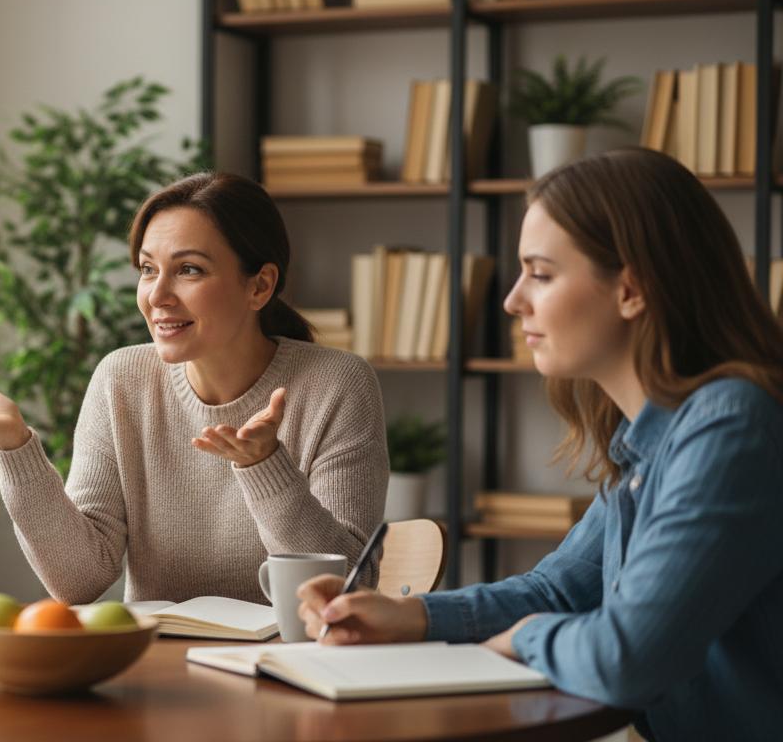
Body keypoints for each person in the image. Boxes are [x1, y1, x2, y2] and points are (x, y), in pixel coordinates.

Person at [296, 149, 783, 741]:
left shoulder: (731, 429)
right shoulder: (652, 437)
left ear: (631, 289)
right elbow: (556, 590)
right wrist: (410, 616)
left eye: (542, 273)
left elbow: (627, 657)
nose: (512, 300)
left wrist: (524, 639)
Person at [0, 172, 388, 605]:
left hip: (285, 671)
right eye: (149, 269)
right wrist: (15, 445)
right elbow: (80, 581)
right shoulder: (122, 379)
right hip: (155, 674)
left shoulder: (336, 384)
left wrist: (264, 467)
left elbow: (347, 586)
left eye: (189, 269)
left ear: (259, 286)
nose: (157, 295)